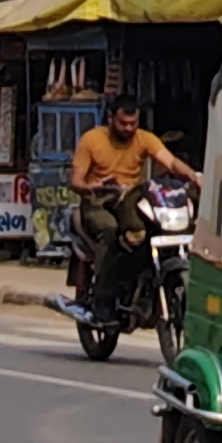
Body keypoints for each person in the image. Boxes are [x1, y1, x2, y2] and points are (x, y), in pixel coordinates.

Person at [67, 101, 191, 316]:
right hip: (98, 200)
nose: (128, 128)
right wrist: (93, 186)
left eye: (133, 123)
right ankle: (103, 299)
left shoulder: (144, 138)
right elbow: (75, 181)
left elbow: (170, 162)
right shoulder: (91, 140)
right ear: (110, 118)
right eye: (123, 123)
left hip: (130, 199)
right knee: (109, 231)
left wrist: (194, 177)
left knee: (149, 230)